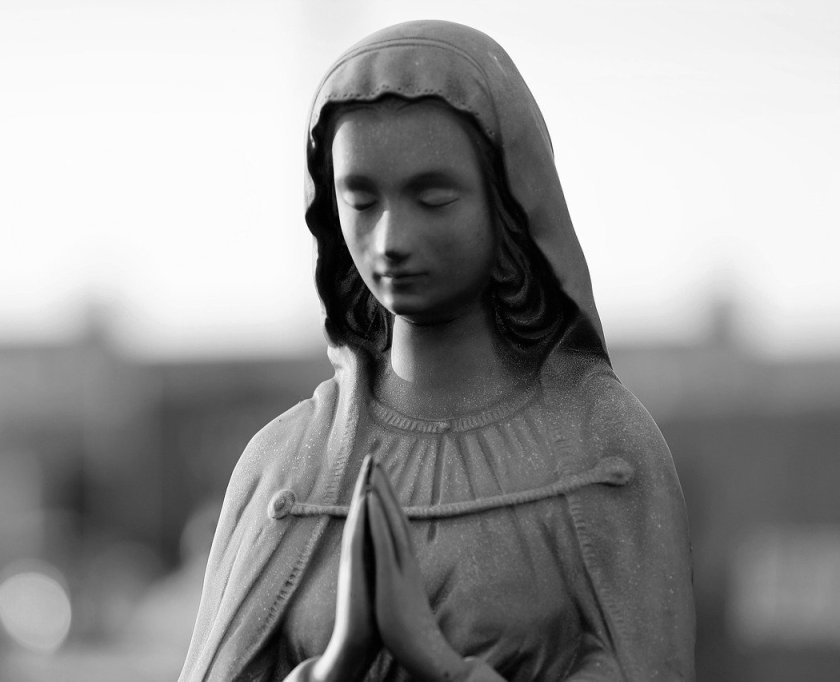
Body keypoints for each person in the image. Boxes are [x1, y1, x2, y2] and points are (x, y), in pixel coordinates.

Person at [180, 20, 694, 682]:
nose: (391, 238)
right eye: (361, 199)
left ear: (507, 200)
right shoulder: (288, 472)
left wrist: (441, 664)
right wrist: (339, 662)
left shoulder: (599, 448)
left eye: (432, 198)